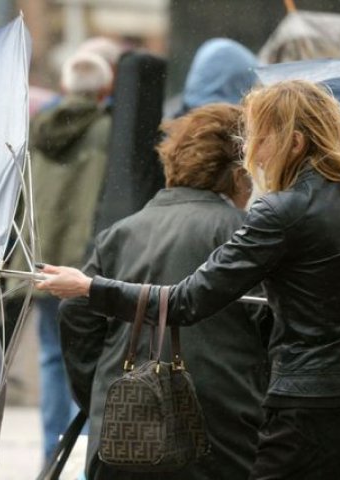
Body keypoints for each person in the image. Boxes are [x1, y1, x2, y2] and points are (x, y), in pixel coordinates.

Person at [37, 80, 340, 479]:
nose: (252, 152)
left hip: (300, 417)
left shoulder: (282, 212)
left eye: (259, 137)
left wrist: (89, 288)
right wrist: (321, 290)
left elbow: (186, 301)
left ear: (296, 142)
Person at [59, 103, 270, 480]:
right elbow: (274, 327)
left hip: (122, 434)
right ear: (239, 175)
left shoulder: (121, 233)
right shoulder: (247, 235)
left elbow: (77, 314)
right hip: (220, 430)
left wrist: (107, 392)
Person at [0, 50, 114, 479]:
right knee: (91, 355)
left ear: (67, 88)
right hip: (86, 262)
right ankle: (84, 451)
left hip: (38, 259)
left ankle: (52, 454)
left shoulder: (38, 128)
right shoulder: (108, 131)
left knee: (52, 353)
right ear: (104, 89)